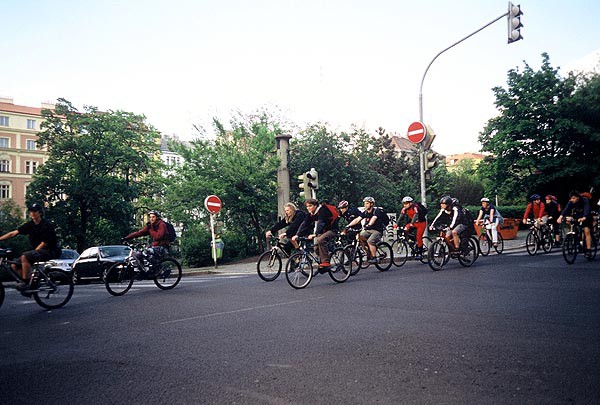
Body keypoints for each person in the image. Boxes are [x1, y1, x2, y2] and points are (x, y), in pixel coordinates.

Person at [0, 203, 61, 293]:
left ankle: (26, 283)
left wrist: (34, 252)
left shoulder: (46, 225)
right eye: (31, 212)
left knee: (25, 256)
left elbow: (44, 243)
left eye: (34, 211)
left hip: (50, 251)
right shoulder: (30, 225)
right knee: (14, 265)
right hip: (37, 251)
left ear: (40, 213)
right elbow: (14, 233)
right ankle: (28, 283)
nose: (32, 213)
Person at [292, 198, 337, 272]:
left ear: (315, 206)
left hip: (332, 230)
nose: (308, 208)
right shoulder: (311, 214)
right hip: (322, 231)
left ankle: (326, 263)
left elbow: (321, 223)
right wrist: (297, 234)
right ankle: (323, 262)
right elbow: (305, 223)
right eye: (307, 206)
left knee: (321, 240)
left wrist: (315, 234)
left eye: (310, 206)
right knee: (316, 248)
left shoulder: (322, 210)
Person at [345, 196, 386, 264]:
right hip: (368, 230)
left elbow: (374, 218)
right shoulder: (365, 212)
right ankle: (368, 252)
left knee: (370, 241)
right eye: (364, 203)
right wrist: (348, 225)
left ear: (372, 204)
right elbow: (358, 219)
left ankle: (374, 257)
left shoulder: (376, 211)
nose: (365, 205)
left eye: (367, 203)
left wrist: (369, 225)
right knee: (359, 237)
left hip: (377, 231)